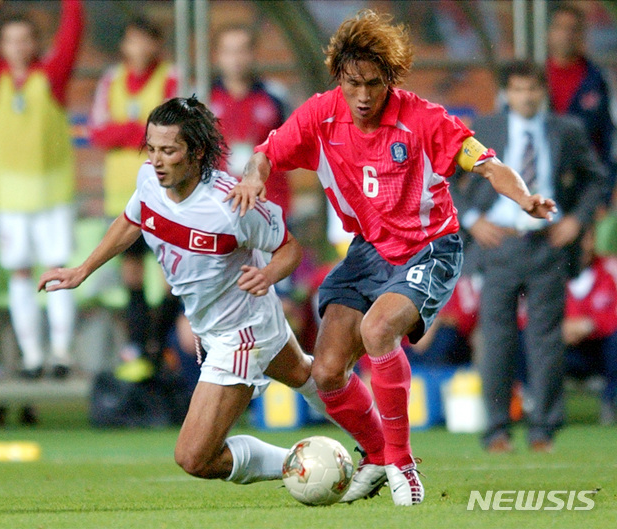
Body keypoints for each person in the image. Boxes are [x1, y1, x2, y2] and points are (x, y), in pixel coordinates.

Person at [226, 10, 556, 506]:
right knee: (327, 371)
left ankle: (403, 465)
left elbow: (487, 165)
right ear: (339, 76)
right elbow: (266, 153)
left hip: (431, 247)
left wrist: (525, 198)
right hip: (369, 250)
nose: (362, 96)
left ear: (392, 79)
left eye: (374, 84)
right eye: (353, 83)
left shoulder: (424, 119)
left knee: (378, 330)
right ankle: (378, 454)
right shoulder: (320, 114)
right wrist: (254, 175)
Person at [38, 97, 327, 486]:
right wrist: (83, 269)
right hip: (215, 323)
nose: (156, 160)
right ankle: (382, 449)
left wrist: (269, 274)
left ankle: (313, 465)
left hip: (241, 330)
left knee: (194, 456)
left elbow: (289, 247)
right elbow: (130, 220)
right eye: (152, 148)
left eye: (169, 150)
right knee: (310, 378)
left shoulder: (231, 202)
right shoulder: (149, 181)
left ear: (197, 153)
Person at [454, 60, 607, 453]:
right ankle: (497, 430)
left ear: (543, 92)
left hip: (547, 244)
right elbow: (444, 177)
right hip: (498, 244)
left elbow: (596, 178)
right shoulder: (485, 130)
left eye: (533, 89)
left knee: (546, 341)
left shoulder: (567, 130)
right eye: (519, 89)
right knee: (497, 340)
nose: (526, 96)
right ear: (507, 93)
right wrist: (472, 219)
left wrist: (576, 220)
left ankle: (544, 430)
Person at [0, 0, 84, 378]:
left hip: (52, 195)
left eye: (25, 40)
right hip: (11, 199)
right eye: (10, 40)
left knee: (57, 271)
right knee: (21, 273)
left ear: (36, 43)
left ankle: (60, 352)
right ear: (1, 46)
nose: (19, 47)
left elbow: (71, 39)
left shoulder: (50, 76)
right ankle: (32, 355)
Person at [89, 16, 180, 374]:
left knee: (170, 276)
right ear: (124, 45)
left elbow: (173, 131)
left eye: (146, 42)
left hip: (162, 195)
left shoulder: (169, 77)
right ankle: (139, 347)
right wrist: (138, 131)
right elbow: (97, 131)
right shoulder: (111, 80)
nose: (139, 49)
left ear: (156, 45)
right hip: (122, 196)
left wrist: (127, 134)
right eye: (133, 41)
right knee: (132, 276)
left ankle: (160, 345)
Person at [210, 23, 291, 216]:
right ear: (217, 55)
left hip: (268, 200)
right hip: (218, 202)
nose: (236, 59)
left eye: (242, 51)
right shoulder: (204, 97)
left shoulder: (275, 95)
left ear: (253, 53)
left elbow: (292, 145)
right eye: (229, 52)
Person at [546, 3, 615, 199]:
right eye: (560, 27)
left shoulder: (596, 79)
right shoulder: (535, 77)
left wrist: (605, 192)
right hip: (541, 182)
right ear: (550, 32)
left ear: (582, 34)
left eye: (573, 29)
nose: (567, 34)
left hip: (583, 182)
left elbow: (606, 136)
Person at [563, 229, 617, 426]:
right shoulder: (554, 271)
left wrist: (590, 324)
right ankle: (538, 404)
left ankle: (610, 401)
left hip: (599, 349)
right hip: (567, 349)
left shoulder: (607, 272)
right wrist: (562, 328)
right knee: (535, 341)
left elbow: (612, 314)